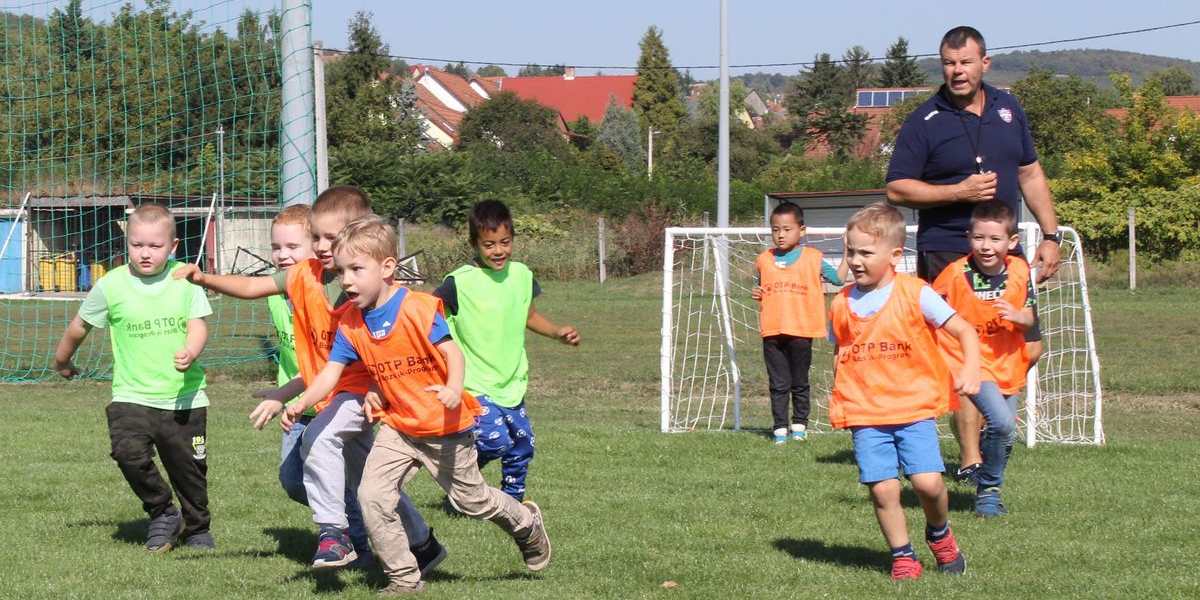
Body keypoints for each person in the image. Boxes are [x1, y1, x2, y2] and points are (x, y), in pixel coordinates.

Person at [174, 186, 444, 572]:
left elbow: (393, 348)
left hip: (358, 393)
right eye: (315, 236)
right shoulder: (304, 275)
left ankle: (335, 535)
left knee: (320, 440)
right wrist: (204, 279)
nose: (319, 245)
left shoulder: (369, 291)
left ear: (358, 234)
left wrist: (374, 388)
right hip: (325, 391)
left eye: (329, 238)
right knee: (367, 484)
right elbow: (252, 287)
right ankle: (423, 543)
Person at [283, 216, 550, 596]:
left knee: (471, 500)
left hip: (444, 425)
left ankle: (525, 523)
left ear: (389, 267)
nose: (346, 280)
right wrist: (301, 403)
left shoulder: (418, 309)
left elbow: (452, 354)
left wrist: (455, 388)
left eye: (357, 269)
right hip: (399, 427)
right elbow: (330, 375)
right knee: (372, 496)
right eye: (342, 271)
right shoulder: (352, 324)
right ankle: (404, 578)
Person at [885, 25, 1061, 482]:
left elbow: (1030, 173)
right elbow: (896, 187)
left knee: (1024, 341)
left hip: (1007, 251)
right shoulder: (925, 119)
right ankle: (971, 458)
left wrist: (1050, 234)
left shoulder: (1009, 108)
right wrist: (956, 191)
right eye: (948, 62)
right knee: (961, 351)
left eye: (965, 62)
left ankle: (992, 431)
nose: (957, 71)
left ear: (985, 63)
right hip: (947, 251)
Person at [827, 203, 980, 580]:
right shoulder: (840, 303)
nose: (856, 260)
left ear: (895, 254)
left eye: (865, 252)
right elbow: (840, 352)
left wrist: (971, 368)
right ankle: (902, 556)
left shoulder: (916, 293)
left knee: (928, 484)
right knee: (883, 491)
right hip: (866, 413)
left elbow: (964, 331)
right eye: (851, 252)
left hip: (913, 408)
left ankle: (940, 533)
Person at [54, 202, 214, 552]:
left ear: (172, 247)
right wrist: (62, 360)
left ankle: (198, 529)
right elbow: (80, 326)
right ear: (126, 242)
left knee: (189, 471)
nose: (145, 253)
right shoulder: (111, 285)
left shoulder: (184, 280)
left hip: (184, 397)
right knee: (127, 453)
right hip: (131, 395)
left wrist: (191, 350)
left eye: (155, 246)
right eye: (137, 244)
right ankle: (162, 512)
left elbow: (197, 325)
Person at [431, 200, 579, 501]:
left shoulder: (522, 275)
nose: (498, 251)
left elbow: (528, 315)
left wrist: (557, 333)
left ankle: (512, 502)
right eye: (489, 244)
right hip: (473, 382)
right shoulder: (458, 282)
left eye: (505, 242)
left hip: (511, 380)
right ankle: (462, 481)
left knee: (523, 445)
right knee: (495, 440)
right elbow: (429, 316)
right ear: (474, 243)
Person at [933, 202, 1033, 517]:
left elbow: (1029, 317)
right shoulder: (954, 274)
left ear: (1012, 242)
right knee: (1001, 423)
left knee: (1005, 434)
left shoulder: (1020, 270)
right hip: (970, 363)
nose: (986, 246)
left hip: (1009, 361)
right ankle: (988, 491)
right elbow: (928, 310)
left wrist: (1018, 317)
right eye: (979, 238)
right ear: (968, 238)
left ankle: (987, 486)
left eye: (994, 239)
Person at [750, 201, 846, 443]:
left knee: (799, 382)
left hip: (801, 330)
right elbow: (761, 285)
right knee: (778, 383)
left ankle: (800, 426)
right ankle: (780, 428)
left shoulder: (813, 258)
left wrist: (848, 253)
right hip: (772, 329)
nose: (780, 235)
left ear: (801, 231)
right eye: (775, 229)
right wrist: (757, 291)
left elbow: (837, 280)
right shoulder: (763, 259)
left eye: (786, 229)